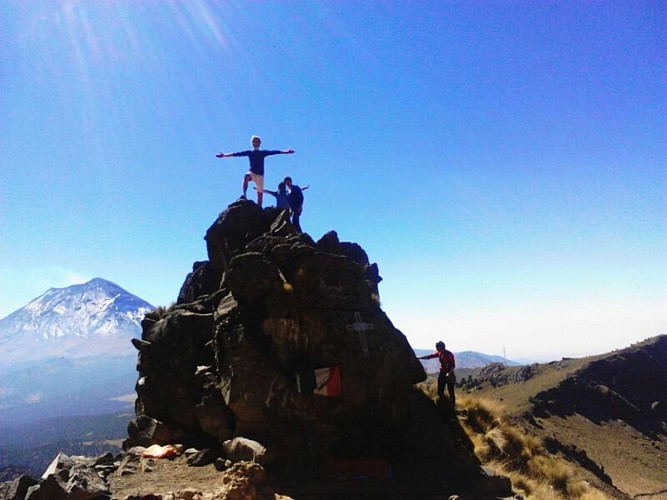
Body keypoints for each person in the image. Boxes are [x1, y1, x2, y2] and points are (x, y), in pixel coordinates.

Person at [216, 136, 294, 207]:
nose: (256, 143)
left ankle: (259, 209)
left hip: (260, 176)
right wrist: (224, 155)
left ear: (260, 143)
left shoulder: (262, 153)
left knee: (260, 196)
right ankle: (244, 195)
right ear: (252, 143)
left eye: (257, 141)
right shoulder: (250, 153)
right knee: (246, 177)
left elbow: (274, 152)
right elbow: (237, 154)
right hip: (252, 173)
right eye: (254, 141)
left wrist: (286, 152)